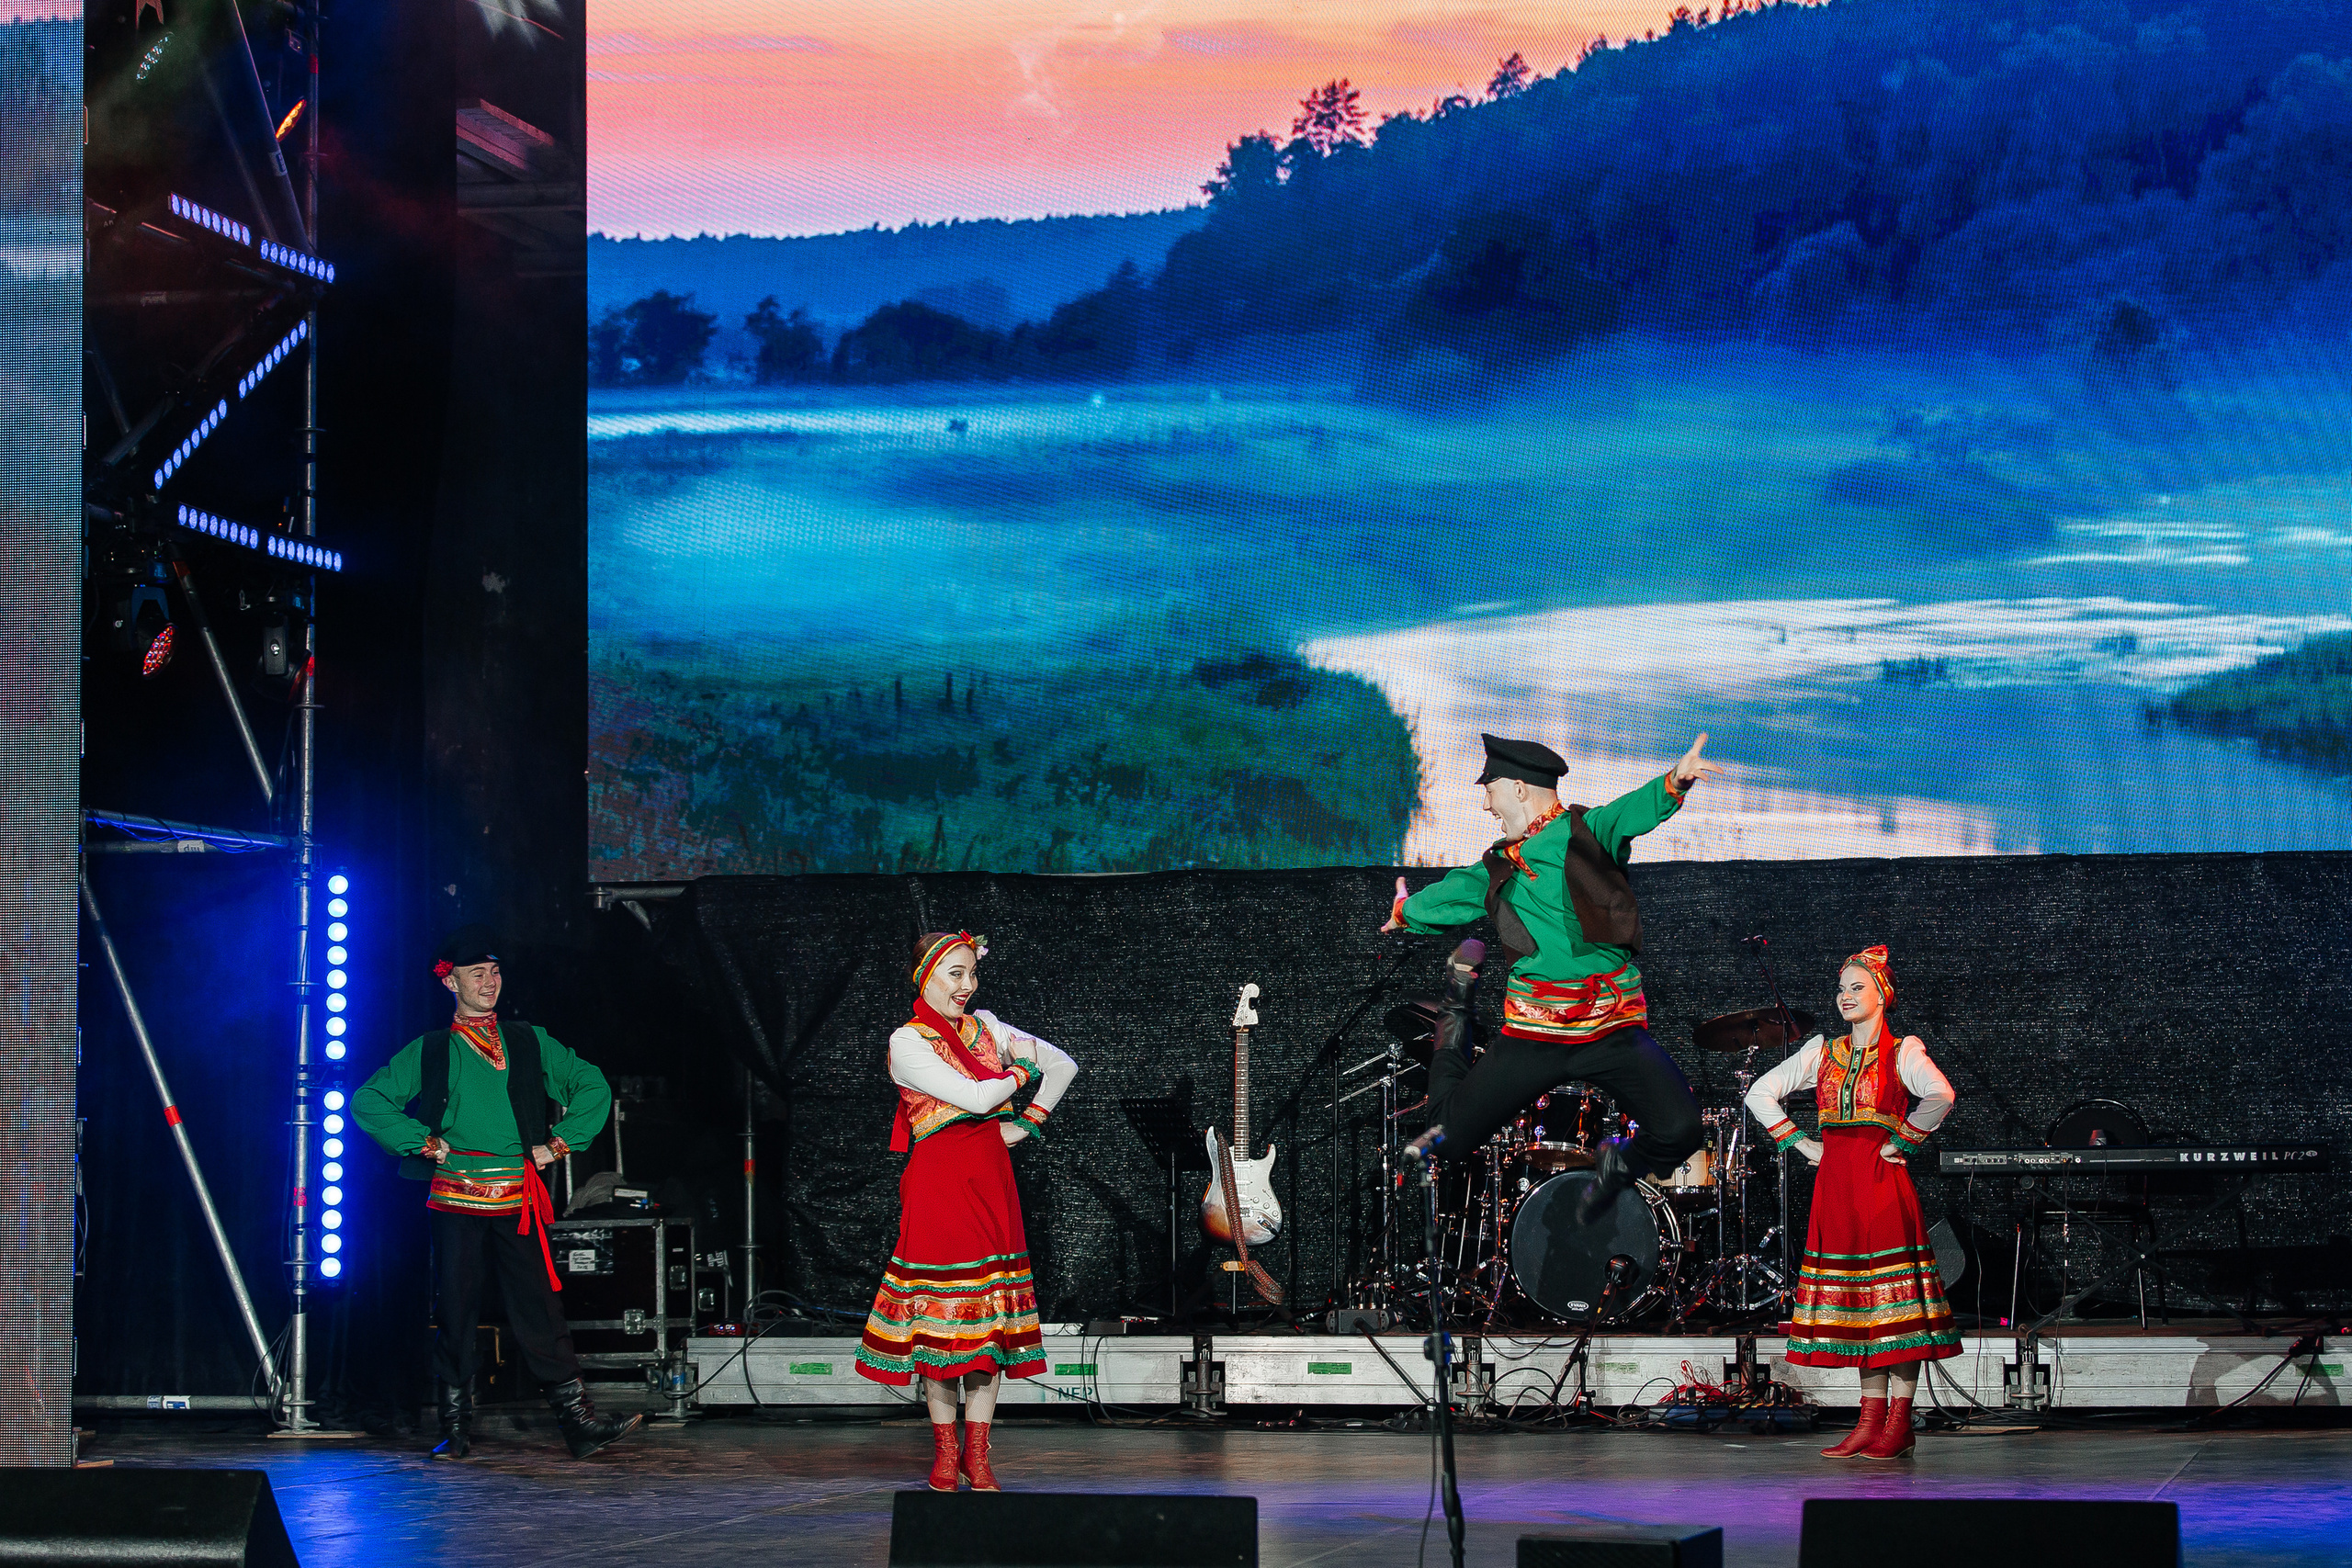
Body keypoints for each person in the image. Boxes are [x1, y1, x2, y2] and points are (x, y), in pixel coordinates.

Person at [1385, 731, 1719, 1224]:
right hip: (1534, 1031)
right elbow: (1454, 893)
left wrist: (1673, 783)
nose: (1485, 804)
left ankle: (1616, 1168)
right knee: (1448, 1140)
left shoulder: (1583, 833)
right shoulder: (1500, 863)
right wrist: (1405, 910)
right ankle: (1457, 1010)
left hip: (1609, 1026)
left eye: (1489, 789)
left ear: (1519, 789)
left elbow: (1624, 815)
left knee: (1682, 1129)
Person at [352, 924, 641, 1461]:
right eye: (477, 974)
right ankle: (456, 1427)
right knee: (457, 1310)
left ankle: (578, 1424)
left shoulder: (529, 1040)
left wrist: (559, 1145)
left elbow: (592, 1084)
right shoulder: (432, 1049)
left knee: (540, 1306)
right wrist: (421, 1143)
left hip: (518, 1199)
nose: (490, 982)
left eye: (495, 972)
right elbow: (369, 1101)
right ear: (450, 982)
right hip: (456, 1199)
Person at [855, 931, 1079, 1492]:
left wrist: (1028, 1123)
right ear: (924, 977)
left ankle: (978, 1455)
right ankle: (944, 1452)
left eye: (971, 973)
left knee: (987, 1331)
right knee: (941, 1326)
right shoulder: (908, 1042)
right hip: (937, 1184)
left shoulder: (988, 1027)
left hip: (989, 1181)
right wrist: (1021, 1077)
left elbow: (1065, 1065)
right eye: (954, 974)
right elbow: (976, 1098)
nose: (966, 985)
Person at [1744, 944, 1961, 1460]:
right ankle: (1869, 1420)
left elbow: (1942, 1095)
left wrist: (1905, 1139)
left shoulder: (1902, 1050)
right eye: (1841, 988)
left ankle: (1899, 1422)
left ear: (1882, 994)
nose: (1845, 996)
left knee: (1895, 1310)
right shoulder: (1823, 1050)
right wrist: (1801, 1142)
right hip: (1837, 1186)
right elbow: (1760, 1092)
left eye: (1857, 987)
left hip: (1881, 1183)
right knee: (1863, 1309)